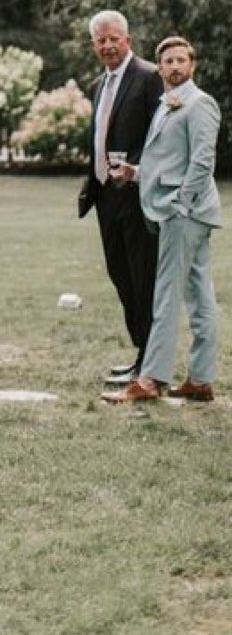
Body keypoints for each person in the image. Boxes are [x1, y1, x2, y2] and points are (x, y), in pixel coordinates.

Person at [103, 36, 222, 404]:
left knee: (166, 295)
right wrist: (134, 173)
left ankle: (151, 379)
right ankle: (200, 380)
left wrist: (180, 205)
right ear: (160, 67)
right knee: (199, 296)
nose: (174, 66)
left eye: (181, 60)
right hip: (186, 212)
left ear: (193, 64)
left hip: (183, 214)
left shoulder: (199, 103)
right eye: (167, 61)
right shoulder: (167, 103)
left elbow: (202, 161)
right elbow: (166, 162)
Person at [78, 9, 163, 383]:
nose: (108, 45)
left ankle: (149, 361)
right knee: (120, 274)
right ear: (94, 46)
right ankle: (141, 351)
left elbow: (163, 135)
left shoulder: (148, 77)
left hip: (137, 195)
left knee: (142, 278)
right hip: (105, 197)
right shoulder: (98, 85)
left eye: (114, 38)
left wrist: (139, 170)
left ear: (127, 39)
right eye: (101, 40)